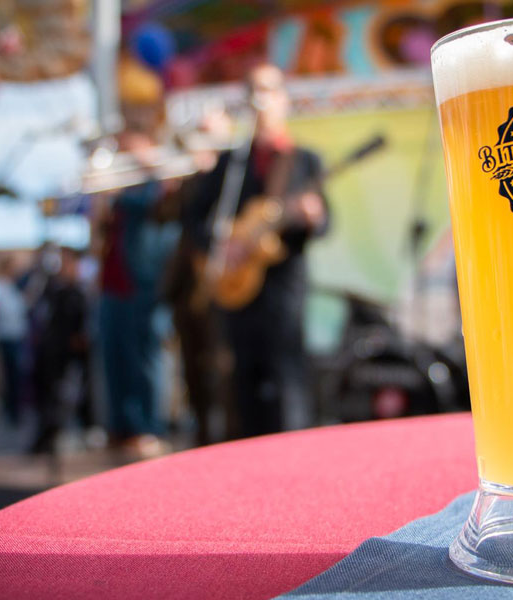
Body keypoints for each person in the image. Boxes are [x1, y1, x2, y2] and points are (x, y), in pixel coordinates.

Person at [186, 63, 330, 437]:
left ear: (283, 99)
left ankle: (294, 448)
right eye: (254, 91)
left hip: (284, 284)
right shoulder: (232, 163)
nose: (261, 100)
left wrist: (312, 217)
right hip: (238, 285)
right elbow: (195, 218)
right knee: (243, 376)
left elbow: (326, 222)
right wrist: (221, 244)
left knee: (287, 374)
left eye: (269, 90)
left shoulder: (303, 160)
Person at [98, 128, 181, 458]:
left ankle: (149, 426)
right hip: (113, 285)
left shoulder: (157, 180)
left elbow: (156, 205)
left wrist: (145, 167)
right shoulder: (121, 186)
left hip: (144, 284)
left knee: (145, 358)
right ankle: (121, 426)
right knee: (115, 359)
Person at [31, 248, 89, 454]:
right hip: (52, 358)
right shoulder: (53, 292)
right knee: (51, 402)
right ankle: (47, 437)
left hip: (69, 360)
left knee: (66, 401)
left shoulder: (77, 295)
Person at [0, 256, 28, 425]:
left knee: (15, 377)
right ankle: (10, 411)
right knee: (9, 377)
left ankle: (14, 411)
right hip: (5, 338)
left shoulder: (13, 287)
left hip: (15, 337)